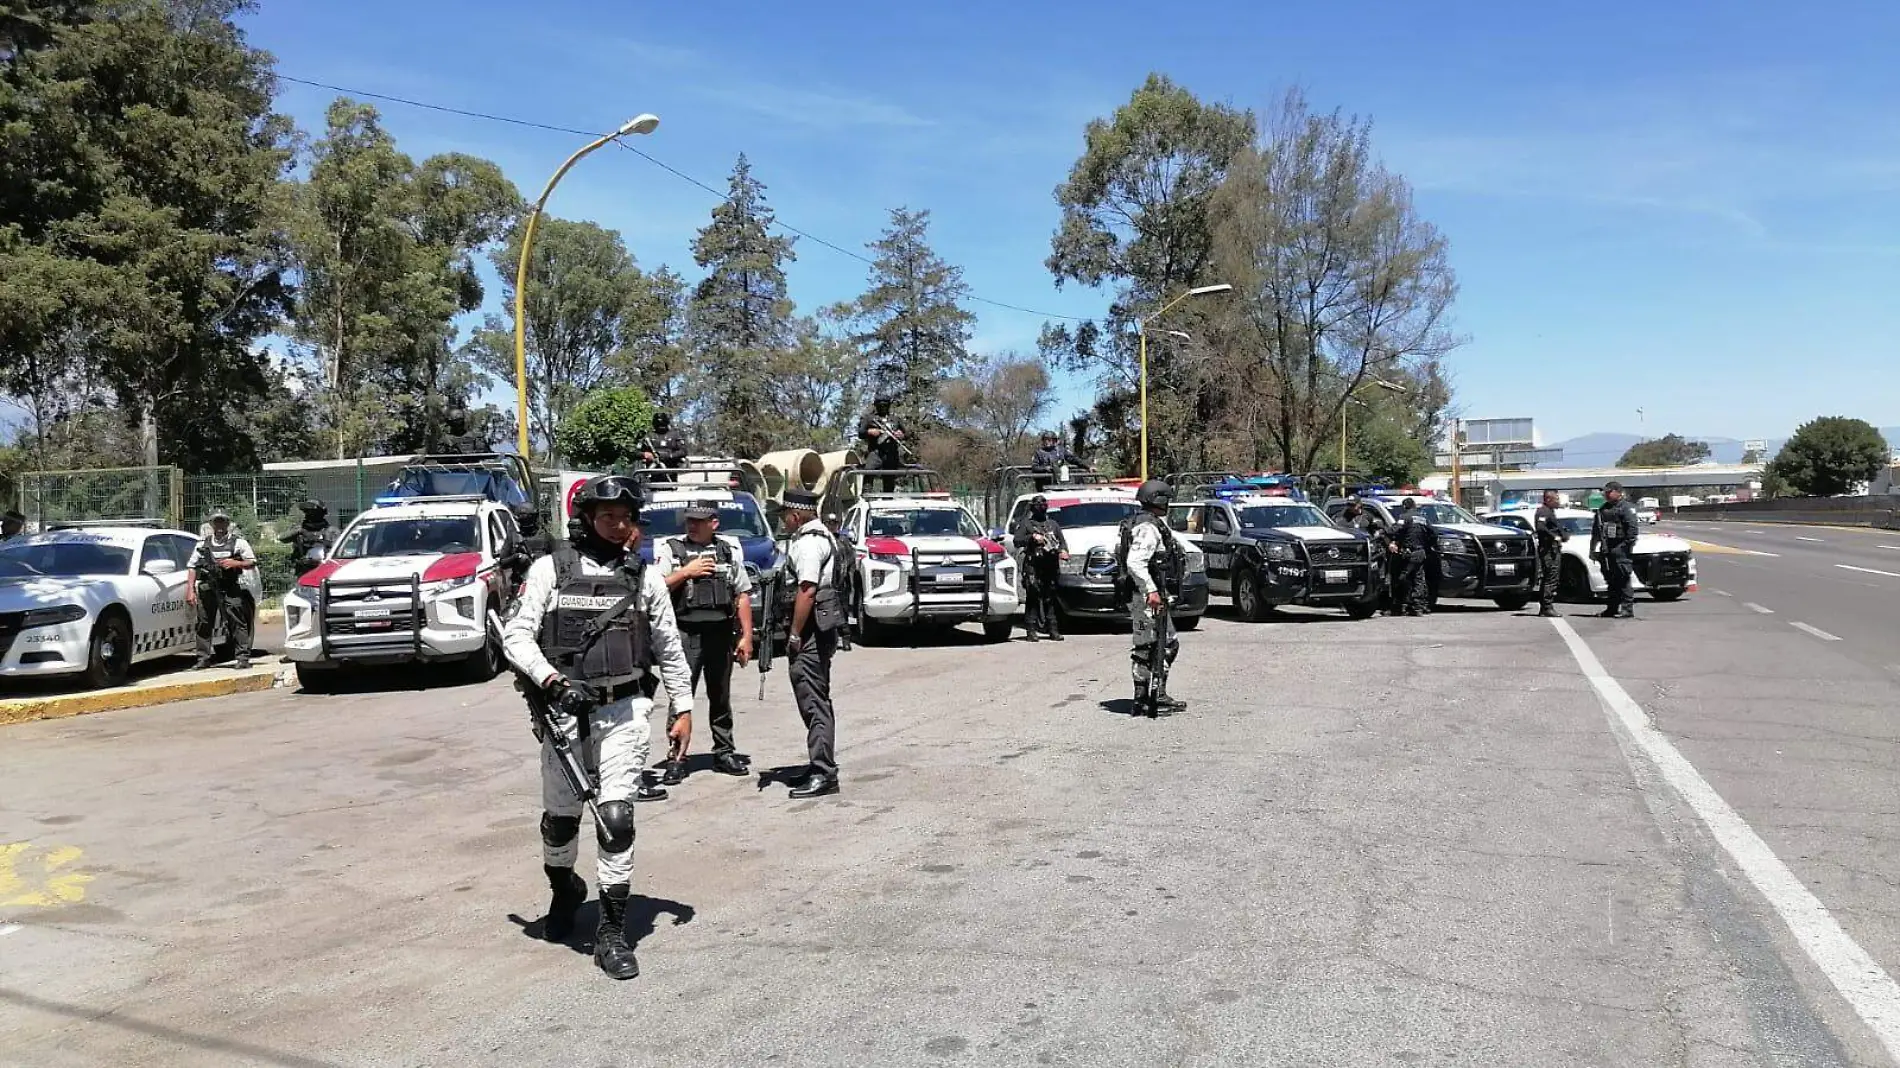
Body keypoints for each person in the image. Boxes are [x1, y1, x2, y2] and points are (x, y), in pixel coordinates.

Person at [501, 474, 693, 980]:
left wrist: (683, 707)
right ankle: (564, 889)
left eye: (625, 517)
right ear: (585, 517)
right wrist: (551, 680)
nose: (618, 524)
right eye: (608, 515)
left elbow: (669, 648)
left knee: (616, 819)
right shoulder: (550, 570)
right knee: (560, 822)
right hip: (564, 715)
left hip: (625, 711)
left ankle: (611, 931)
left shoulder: (643, 577)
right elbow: (516, 638)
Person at [653, 501, 755, 785]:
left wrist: (746, 636)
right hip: (685, 634)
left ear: (714, 523)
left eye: (699, 520)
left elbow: (742, 594)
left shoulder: (727, 552)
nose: (692, 525)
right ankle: (676, 757)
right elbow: (656, 588)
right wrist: (687, 572)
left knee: (720, 696)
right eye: (689, 520)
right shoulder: (671, 551)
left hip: (720, 635)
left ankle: (724, 752)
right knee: (680, 696)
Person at [778, 488, 845, 798]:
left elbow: (807, 590)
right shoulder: (823, 538)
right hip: (821, 628)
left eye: (784, 516)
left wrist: (794, 633)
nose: (783, 522)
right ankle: (820, 762)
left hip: (811, 633)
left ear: (795, 516)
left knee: (814, 699)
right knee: (817, 696)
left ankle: (823, 771)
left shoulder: (808, 544)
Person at [1120, 480, 1189, 716]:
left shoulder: (1137, 523)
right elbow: (1134, 562)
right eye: (1166, 499)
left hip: (1141, 595)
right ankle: (1156, 695)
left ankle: (1141, 698)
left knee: (1144, 646)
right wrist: (1151, 590)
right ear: (1157, 500)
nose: (1168, 503)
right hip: (1149, 597)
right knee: (1165, 643)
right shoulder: (1148, 528)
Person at [191, 509, 257, 669]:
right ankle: (203, 658)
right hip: (208, 588)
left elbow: (252, 561)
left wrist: (236, 563)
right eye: (216, 521)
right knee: (204, 623)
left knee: (237, 621)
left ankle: (242, 658)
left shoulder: (239, 542)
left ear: (228, 523)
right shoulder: (202, 544)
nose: (219, 525)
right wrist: (190, 590)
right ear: (211, 524)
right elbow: (192, 566)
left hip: (230, 586)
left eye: (222, 521)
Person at [1011, 495, 1067, 641]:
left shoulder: (1052, 524)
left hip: (1050, 565)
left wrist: (1063, 551)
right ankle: (1031, 630)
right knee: (1033, 597)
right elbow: (1017, 540)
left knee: (1050, 598)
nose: (1041, 507)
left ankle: (1053, 630)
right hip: (1033, 566)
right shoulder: (1026, 524)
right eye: (1038, 505)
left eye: (1043, 504)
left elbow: (1062, 542)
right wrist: (1032, 538)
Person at [1592, 481, 1640, 619]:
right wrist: (1593, 548)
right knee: (1611, 581)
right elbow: (1596, 531)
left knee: (1623, 580)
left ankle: (1627, 609)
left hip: (1620, 549)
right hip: (1607, 549)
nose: (1606, 494)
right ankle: (1611, 608)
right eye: (1605, 492)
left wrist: (1624, 547)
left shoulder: (1626, 508)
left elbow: (1632, 531)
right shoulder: (1603, 509)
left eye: (1609, 492)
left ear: (1618, 492)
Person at [1391, 497, 1433, 617]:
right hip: (1420, 552)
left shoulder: (1404, 517)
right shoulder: (1424, 518)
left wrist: (1383, 532)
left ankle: (1401, 605)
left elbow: (1395, 530)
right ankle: (1418, 607)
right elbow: (1433, 534)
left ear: (1405, 506)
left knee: (1402, 578)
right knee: (1419, 579)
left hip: (1408, 553)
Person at [857, 398, 909, 493]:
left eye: (885, 405)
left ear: (888, 406)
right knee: (868, 472)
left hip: (891, 454)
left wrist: (901, 434)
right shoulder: (869, 418)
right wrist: (869, 431)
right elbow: (860, 433)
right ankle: (866, 497)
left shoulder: (896, 419)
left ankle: (888, 501)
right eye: (880, 405)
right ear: (876, 406)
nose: (883, 407)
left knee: (889, 478)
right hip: (875, 452)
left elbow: (907, 434)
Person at [823, 510, 857, 652]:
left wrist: (849, 577)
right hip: (827, 583)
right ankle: (830, 640)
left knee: (843, 611)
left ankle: (846, 638)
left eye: (834, 523)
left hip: (842, 583)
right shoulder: (823, 541)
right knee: (828, 612)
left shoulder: (843, 541)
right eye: (829, 523)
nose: (832, 526)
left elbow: (850, 560)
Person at [278, 500, 337, 578]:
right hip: (303, 570)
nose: (308, 514)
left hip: (324, 571)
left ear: (320, 513)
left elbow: (338, 551)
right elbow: (282, 538)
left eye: (311, 512)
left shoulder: (331, 531)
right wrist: (299, 531)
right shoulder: (300, 529)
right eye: (307, 512)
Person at [1533, 490, 1568, 617]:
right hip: (1549, 550)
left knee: (1552, 577)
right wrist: (1554, 537)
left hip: (1553, 549)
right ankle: (1547, 606)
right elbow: (1540, 527)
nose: (1558, 502)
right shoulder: (1543, 511)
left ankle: (1545, 606)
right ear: (1548, 499)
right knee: (1550, 578)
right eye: (1556, 499)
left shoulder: (1550, 512)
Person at [638, 413, 689, 483]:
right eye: (658, 426)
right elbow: (637, 452)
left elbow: (684, 451)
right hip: (652, 473)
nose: (661, 428)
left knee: (670, 490)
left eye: (662, 426)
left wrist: (669, 456)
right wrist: (646, 455)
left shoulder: (674, 435)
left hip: (670, 472)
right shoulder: (649, 436)